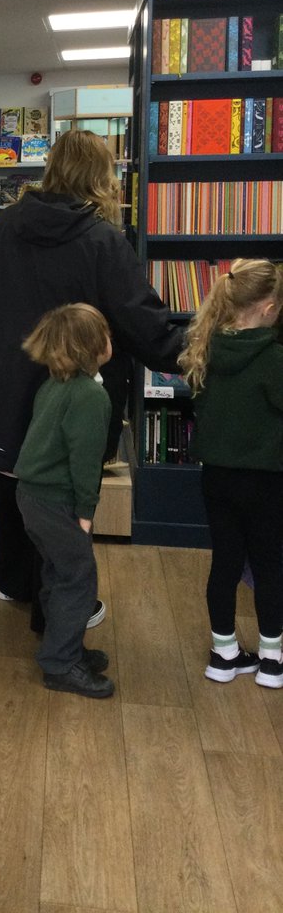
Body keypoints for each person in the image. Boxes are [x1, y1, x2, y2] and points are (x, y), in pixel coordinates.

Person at [0, 131, 183, 628]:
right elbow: (142, 325)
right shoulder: (103, 240)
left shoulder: (1, 228)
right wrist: (201, 353)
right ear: (99, 177)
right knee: (60, 495)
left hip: (1, 384)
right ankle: (60, 608)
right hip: (70, 391)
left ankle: (14, 579)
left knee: (9, 478)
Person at [178, 258, 283, 688]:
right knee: (270, 565)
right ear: (269, 308)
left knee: (224, 562)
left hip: (216, 479)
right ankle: (273, 660)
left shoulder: (205, 349)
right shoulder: (275, 359)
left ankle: (224, 655)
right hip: (268, 480)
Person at [15, 304, 114, 698]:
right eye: (106, 334)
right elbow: (86, 462)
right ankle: (60, 665)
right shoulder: (90, 396)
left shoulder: (54, 383)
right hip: (57, 502)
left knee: (58, 575)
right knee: (78, 579)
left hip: (32, 496)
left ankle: (63, 646)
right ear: (93, 347)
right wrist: (86, 514)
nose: (112, 340)